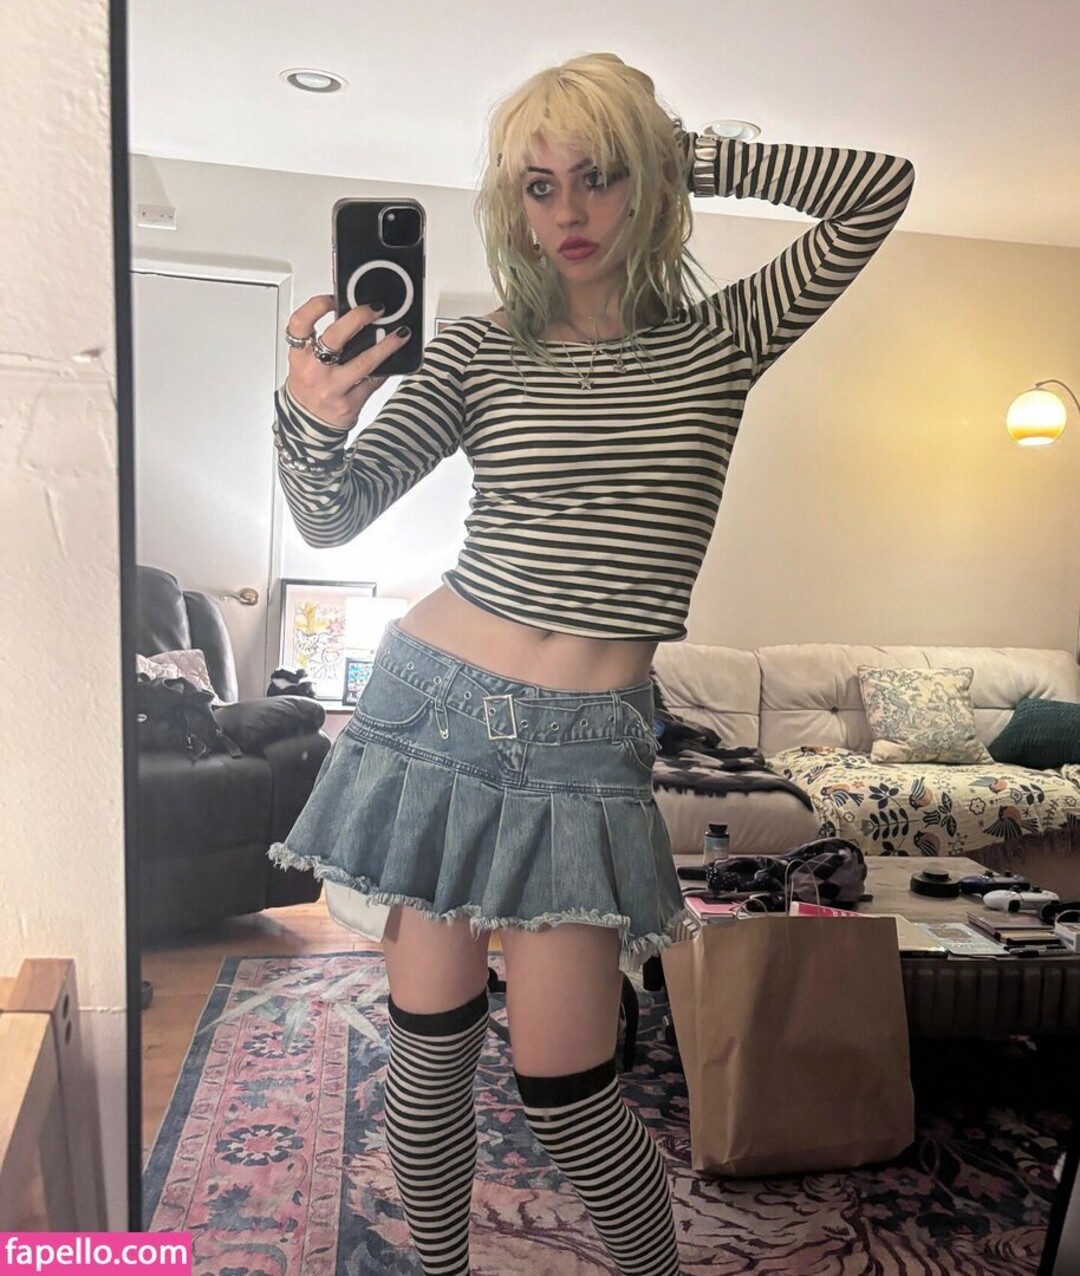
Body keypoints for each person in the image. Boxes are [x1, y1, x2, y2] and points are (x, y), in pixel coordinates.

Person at [269, 51, 914, 1276]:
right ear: (512, 204)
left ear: (649, 183)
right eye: (539, 184)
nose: (568, 211)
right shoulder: (477, 352)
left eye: (601, 176)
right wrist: (313, 414)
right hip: (436, 717)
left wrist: (681, 151)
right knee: (431, 1055)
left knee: (570, 1089)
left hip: (586, 749)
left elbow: (875, 188)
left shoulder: (724, 337)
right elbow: (331, 513)